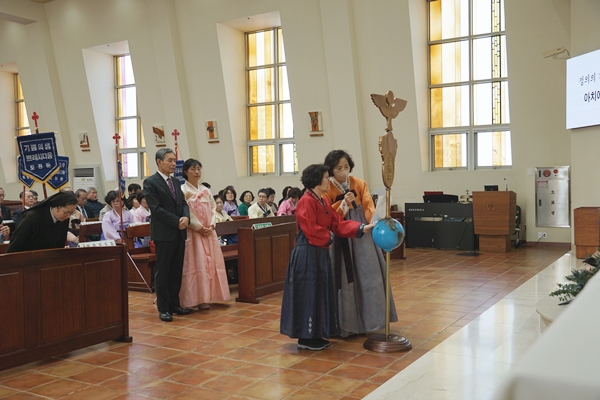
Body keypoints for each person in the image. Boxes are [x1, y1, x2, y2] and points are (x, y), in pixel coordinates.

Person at [280, 164, 375, 351]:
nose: (329, 181)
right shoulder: (306, 201)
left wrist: (362, 228)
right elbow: (311, 228)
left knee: (319, 293)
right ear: (316, 180)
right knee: (309, 294)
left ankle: (316, 334)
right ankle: (306, 337)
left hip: (319, 253)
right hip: (307, 254)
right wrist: (329, 237)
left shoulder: (322, 201)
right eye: (326, 177)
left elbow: (337, 222)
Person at [322, 149, 397, 337]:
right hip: (340, 234)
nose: (343, 171)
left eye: (346, 166)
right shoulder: (326, 188)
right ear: (331, 170)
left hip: (362, 233)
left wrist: (375, 221)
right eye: (339, 168)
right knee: (344, 278)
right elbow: (327, 215)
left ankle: (370, 320)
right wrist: (343, 205)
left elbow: (368, 206)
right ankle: (345, 324)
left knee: (368, 274)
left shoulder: (359, 183)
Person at [143, 148, 192, 322]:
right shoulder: (150, 182)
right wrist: (177, 221)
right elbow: (156, 209)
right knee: (163, 272)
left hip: (179, 232)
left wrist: (186, 217)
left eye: (174, 160)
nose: (173, 164)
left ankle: (175, 304)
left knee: (176, 271)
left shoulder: (176, 181)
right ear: (159, 162)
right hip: (164, 233)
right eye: (169, 160)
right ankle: (163, 308)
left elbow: (183, 203)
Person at [180, 159, 230, 310]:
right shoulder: (183, 190)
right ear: (185, 172)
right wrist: (199, 227)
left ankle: (205, 297)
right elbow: (185, 212)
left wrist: (212, 225)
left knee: (209, 264)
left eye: (198, 169)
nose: (197, 172)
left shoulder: (206, 190)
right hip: (193, 233)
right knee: (195, 264)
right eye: (193, 169)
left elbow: (213, 209)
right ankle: (192, 299)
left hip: (208, 233)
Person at [6, 191, 78, 253]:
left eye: (71, 213)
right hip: (27, 257)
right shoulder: (32, 217)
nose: (68, 216)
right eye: (66, 212)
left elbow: (60, 245)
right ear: (56, 207)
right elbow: (16, 244)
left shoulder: (64, 218)